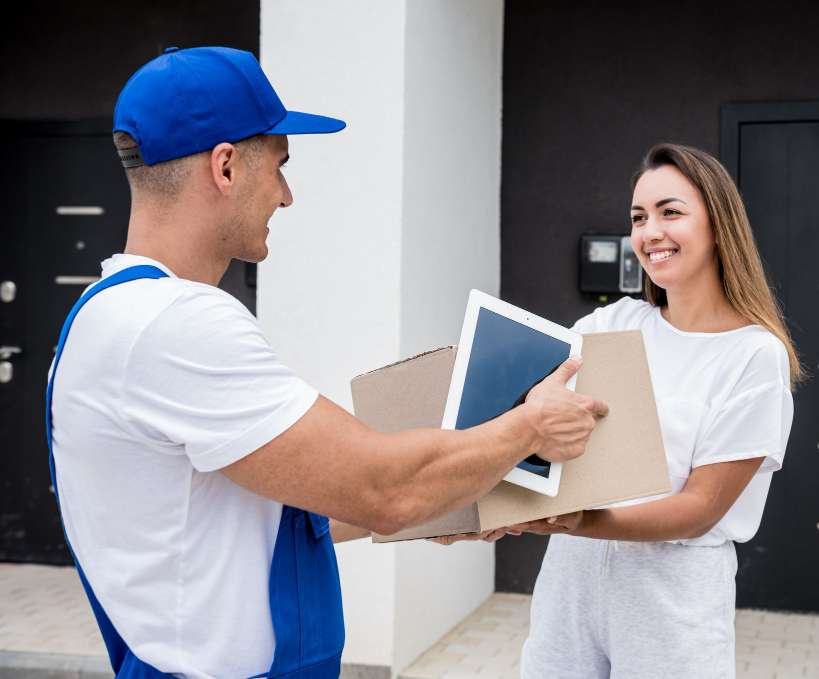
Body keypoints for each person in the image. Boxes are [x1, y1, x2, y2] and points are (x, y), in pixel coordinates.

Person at [47, 46, 608, 679]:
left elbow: (248, 519)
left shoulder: (108, 316)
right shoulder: (176, 325)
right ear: (225, 167)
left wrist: (447, 499)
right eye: (280, 168)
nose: (285, 197)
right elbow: (383, 488)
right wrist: (531, 427)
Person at [510, 143, 800, 678]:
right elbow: (527, 416)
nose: (649, 232)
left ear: (720, 225)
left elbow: (699, 510)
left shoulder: (753, 356)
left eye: (671, 212)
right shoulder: (612, 324)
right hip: (570, 584)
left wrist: (583, 520)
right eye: (639, 217)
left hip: (671, 600)